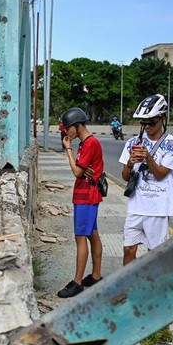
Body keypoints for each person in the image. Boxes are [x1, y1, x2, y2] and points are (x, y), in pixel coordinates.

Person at [119, 94, 173, 265]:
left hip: (158, 209)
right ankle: (127, 287)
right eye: (143, 122)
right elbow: (125, 176)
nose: (146, 126)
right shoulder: (133, 143)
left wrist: (148, 157)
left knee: (154, 254)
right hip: (136, 207)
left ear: (162, 119)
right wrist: (129, 162)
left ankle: (151, 288)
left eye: (151, 122)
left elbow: (161, 174)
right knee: (128, 249)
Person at [57, 107, 105, 298]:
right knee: (93, 234)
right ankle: (96, 275)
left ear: (77, 126)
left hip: (86, 196)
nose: (66, 132)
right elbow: (81, 170)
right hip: (86, 194)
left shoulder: (90, 143)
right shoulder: (86, 143)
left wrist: (68, 150)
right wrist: (80, 167)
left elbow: (77, 172)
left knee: (80, 238)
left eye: (68, 128)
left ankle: (77, 282)